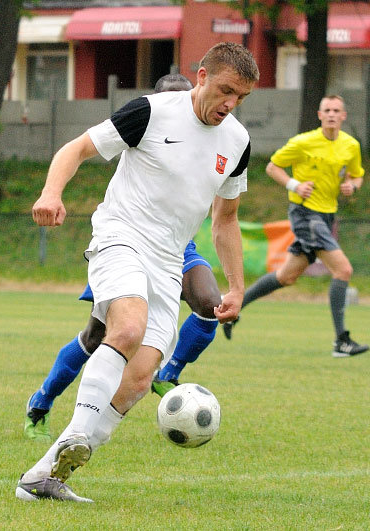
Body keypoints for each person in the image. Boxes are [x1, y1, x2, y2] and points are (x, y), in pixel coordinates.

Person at [16, 42, 258, 502]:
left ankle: (42, 478)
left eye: (241, 98)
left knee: (142, 377)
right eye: (225, 91)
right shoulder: (151, 111)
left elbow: (224, 220)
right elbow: (77, 148)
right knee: (126, 327)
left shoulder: (237, 142)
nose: (230, 105)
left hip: (170, 261)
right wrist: (51, 193)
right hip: (120, 236)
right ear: (202, 76)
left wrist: (237, 287)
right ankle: (73, 439)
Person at [24, 74, 223, 442]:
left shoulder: (213, 137)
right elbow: (81, 148)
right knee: (97, 336)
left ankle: (168, 372)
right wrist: (52, 193)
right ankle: (42, 399)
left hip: (177, 250)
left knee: (211, 303)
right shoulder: (145, 124)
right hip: (128, 243)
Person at [222, 94, 369, 358]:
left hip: (326, 215)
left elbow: (357, 175)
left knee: (286, 276)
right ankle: (341, 342)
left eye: (337, 110)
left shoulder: (351, 146)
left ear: (344, 116)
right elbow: (273, 167)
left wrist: (352, 187)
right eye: (327, 110)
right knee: (343, 270)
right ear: (320, 115)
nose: (332, 114)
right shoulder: (303, 142)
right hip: (305, 214)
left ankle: (233, 308)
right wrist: (295, 185)